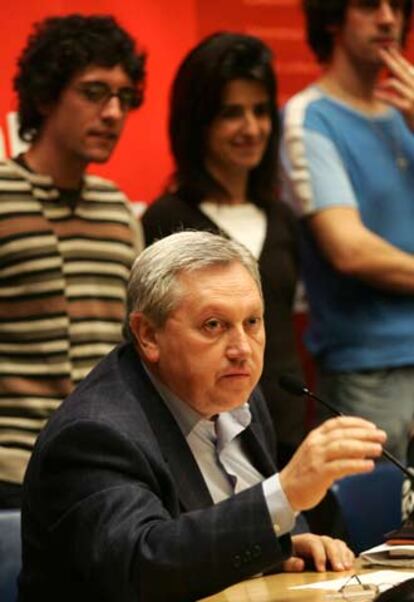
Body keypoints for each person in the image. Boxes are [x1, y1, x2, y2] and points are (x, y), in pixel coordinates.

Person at [19, 230, 387, 602]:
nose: (242, 349)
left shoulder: (237, 395)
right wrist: (284, 493)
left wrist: (280, 546)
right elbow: (143, 567)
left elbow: (213, 542)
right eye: (214, 325)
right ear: (148, 335)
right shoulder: (95, 434)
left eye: (252, 322)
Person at [0, 14, 145, 508]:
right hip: (10, 470)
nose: (112, 113)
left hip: (103, 468)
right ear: (44, 97)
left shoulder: (117, 209)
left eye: (123, 98)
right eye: (93, 92)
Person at [142, 32, 305, 468]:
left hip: (288, 431)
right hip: (205, 447)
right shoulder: (166, 219)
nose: (251, 128)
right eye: (231, 113)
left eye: (260, 111)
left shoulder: (283, 217)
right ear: (199, 121)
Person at [280, 0, 414, 461]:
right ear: (333, 17)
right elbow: (350, 249)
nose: (388, 19)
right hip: (368, 370)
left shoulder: (406, 115)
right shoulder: (309, 116)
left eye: (398, 5)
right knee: (377, 530)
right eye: (368, 4)